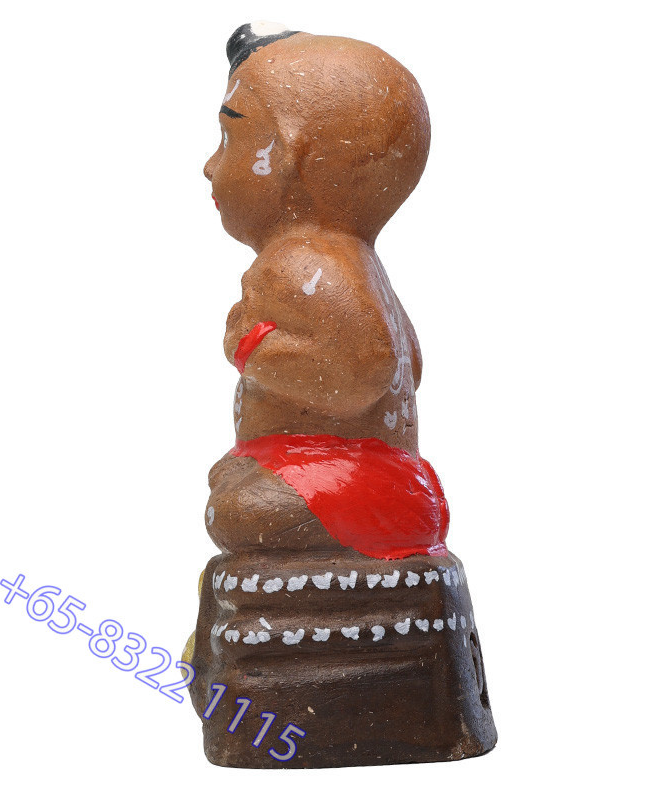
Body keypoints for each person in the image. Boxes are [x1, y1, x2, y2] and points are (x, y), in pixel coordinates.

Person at [203, 23, 447, 559]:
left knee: (232, 513)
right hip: (372, 472)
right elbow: (408, 364)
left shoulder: (303, 262)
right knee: (233, 484)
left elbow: (365, 372)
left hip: (355, 478)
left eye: (229, 138)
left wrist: (249, 348)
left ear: (289, 157)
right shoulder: (358, 265)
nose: (209, 166)